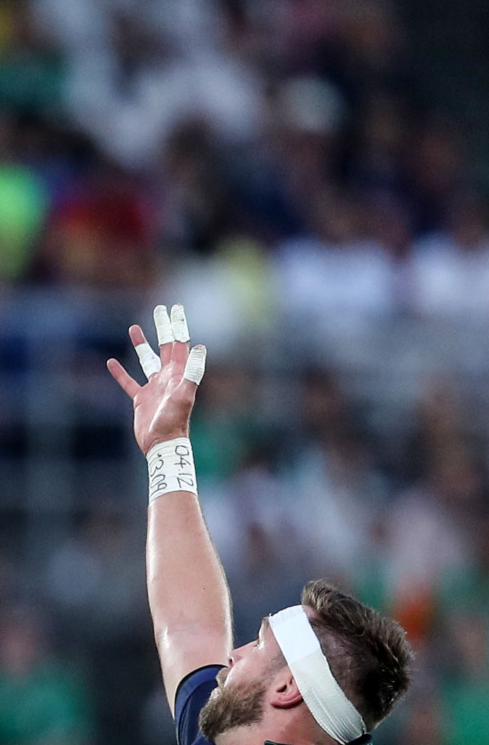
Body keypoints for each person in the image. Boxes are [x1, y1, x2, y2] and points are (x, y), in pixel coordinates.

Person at [105, 306, 414, 745]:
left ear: (286, 688)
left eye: (257, 644)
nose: (232, 654)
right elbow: (190, 628)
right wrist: (166, 447)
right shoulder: (225, 731)